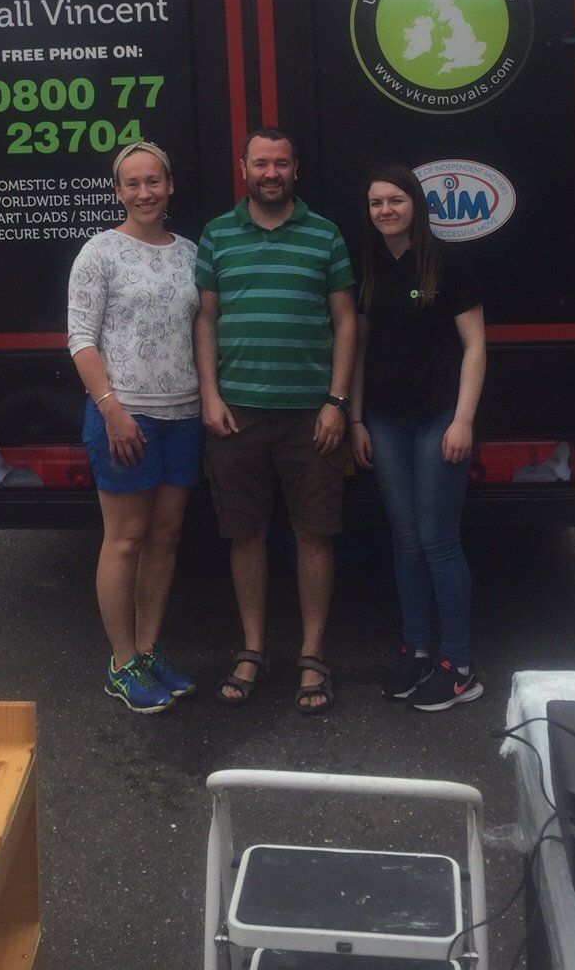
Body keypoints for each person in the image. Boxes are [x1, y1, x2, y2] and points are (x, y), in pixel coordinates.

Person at [194, 127, 357, 714]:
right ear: (243, 168)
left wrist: (336, 402)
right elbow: (206, 319)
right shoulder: (216, 235)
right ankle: (253, 649)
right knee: (245, 535)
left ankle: (312, 655)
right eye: (260, 162)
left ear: (295, 171)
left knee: (315, 534)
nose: (270, 173)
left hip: (312, 418)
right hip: (236, 415)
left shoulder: (325, 234)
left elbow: (345, 321)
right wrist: (209, 395)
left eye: (280, 163)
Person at [67, 140, 203, 714]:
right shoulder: (99, 253)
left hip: (184, 414)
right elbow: (80, 337)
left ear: (170, 186)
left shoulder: (190, 253)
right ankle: (121, 664)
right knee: (124, 542)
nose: (144, 192)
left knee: (165, 539)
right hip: (126, 417)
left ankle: (147, 652)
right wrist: (113, 411)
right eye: (133, 183)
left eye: (154, 181)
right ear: (118, 191)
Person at [350, 164, 487, 711]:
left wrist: (463, 420)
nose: (385, 210)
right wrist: (356, 419)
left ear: (415, 203)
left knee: (438, 539)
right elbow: (358, 348)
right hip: (384, 421)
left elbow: (475, 346)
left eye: (395, 201)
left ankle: (459, 665)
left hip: (438, 420)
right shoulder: (369, 267)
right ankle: (417, 650)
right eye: (376, 203)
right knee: (404, 540)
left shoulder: (448, 261)